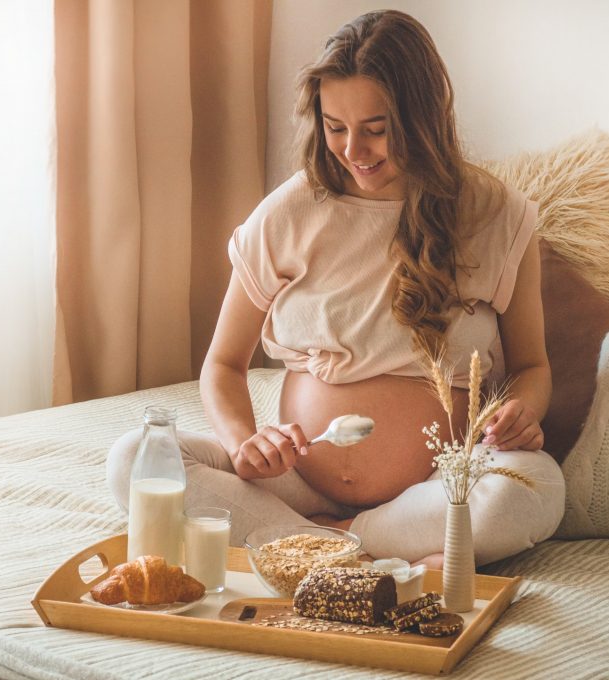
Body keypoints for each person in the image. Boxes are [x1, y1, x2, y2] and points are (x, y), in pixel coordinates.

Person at [107, 10, 564, 566]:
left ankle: (318, 544)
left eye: (376, 129)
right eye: (335, 127)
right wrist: (243, 445)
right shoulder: (290, 212)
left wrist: (521, 411)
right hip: (299, 483)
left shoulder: (496, 214)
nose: (353, 151)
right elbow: (223, 364)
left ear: (423, 117)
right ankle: (347, 550)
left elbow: (532, 366)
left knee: (536, 486)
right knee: (135, 457)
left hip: (435, 488)